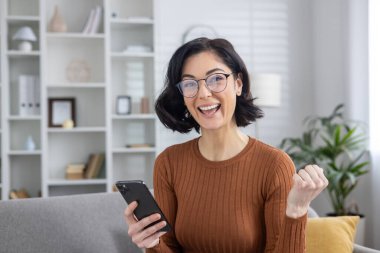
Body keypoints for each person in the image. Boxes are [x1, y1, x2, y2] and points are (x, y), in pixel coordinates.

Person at [124, 37, 328, 253]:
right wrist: (152, 244)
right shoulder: (168, 163)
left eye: (216, 79)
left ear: (238, 84)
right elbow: (170, 247)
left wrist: (297, 209)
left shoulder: (274, 165)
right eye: (190, 83)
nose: (203, 93)